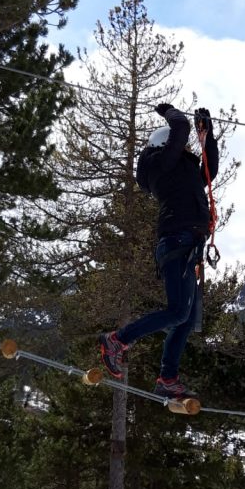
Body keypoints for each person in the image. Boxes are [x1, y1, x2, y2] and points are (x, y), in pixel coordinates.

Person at [98, 102, 219, 400]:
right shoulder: (159, 164)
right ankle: (117, 340)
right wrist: (168, 111)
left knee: (185, 318)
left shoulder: (181, 171)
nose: (185, 150)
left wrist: (207, 135)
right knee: (177, 312)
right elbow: (180, 128)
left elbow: (209, 170)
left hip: (186, 244)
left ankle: (168, 378)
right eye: (181, 147)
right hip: (177, 241)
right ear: (166, 145)